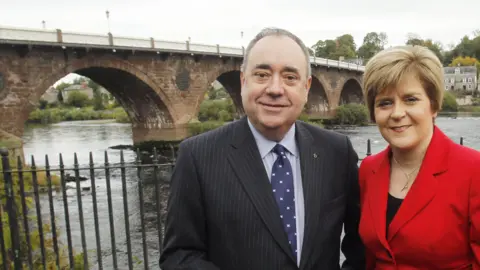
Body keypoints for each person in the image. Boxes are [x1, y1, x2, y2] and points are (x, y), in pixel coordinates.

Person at [159, 27, 366, 270]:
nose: (275, 89)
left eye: (290, 77)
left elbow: (359, 243)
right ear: (243, 80)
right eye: (262, 74)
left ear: (307, 87)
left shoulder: (336, 151)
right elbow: (179, 255)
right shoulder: (197, 156)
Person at [358, 45, 480, 269]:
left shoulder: (474, 171)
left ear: (433, 105)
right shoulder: (368, 169)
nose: (396, 113)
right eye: (385, 103)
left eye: (410, 99)